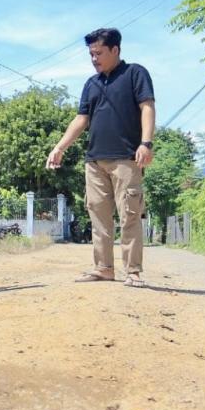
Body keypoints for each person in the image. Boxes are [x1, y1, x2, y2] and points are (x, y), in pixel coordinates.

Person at [47, 27, 155, 288]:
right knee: (98, 217)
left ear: (115, 50)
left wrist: (146, 143)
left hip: (126, 159)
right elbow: (81, 119)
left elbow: (147, 106)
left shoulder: (134, 73)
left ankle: (133, 271)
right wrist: (60, 147)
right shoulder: (91, 84)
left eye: (98, 53)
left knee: (130, 215)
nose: (94, 59)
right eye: (91, 54)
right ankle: (104, 268)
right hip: (94, 161)